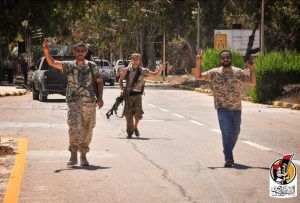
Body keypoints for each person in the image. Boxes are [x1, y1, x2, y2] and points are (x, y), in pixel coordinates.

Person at [42, 41, 104, 166]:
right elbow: (52, 63)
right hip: (74, 102)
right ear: (74, 52)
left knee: (88, 129)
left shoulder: (92, 66)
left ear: (86, 52)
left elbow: (99, 81)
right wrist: (46, 52)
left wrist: (100, 98)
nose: (80, 53)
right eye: (78, 51)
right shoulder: (69, 66)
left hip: (89, 103)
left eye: (83, 51)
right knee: (74, 127)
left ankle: (83, 155)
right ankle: (73, 154)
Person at [194, 49, 256, 167]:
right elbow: (198, 76)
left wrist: (252, 68)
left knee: (236, 132)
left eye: (228, 57)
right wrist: (198, 61)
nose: (225, 59)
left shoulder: (238, 72)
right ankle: (229, 158)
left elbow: (252, 83)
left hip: (236, 108)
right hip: (222, 108)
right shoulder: (214, 72)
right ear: (220, 60)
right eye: (223, 58)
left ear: (231, 59)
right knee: (226, 132)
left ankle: (227, 150)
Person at [119, 53, 164, 139]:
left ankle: (135, 127)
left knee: (138, 114)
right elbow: (120, 80)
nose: (135, 61)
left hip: (138, 95)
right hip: (128, 95)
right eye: (134, 59)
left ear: (139, 61)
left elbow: (154, 74)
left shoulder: (143, 71)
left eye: (137, 60)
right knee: (128, 114)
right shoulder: (126, 70)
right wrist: (121, 90)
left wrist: (160, 69)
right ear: (131, 60)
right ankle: (130, 131)